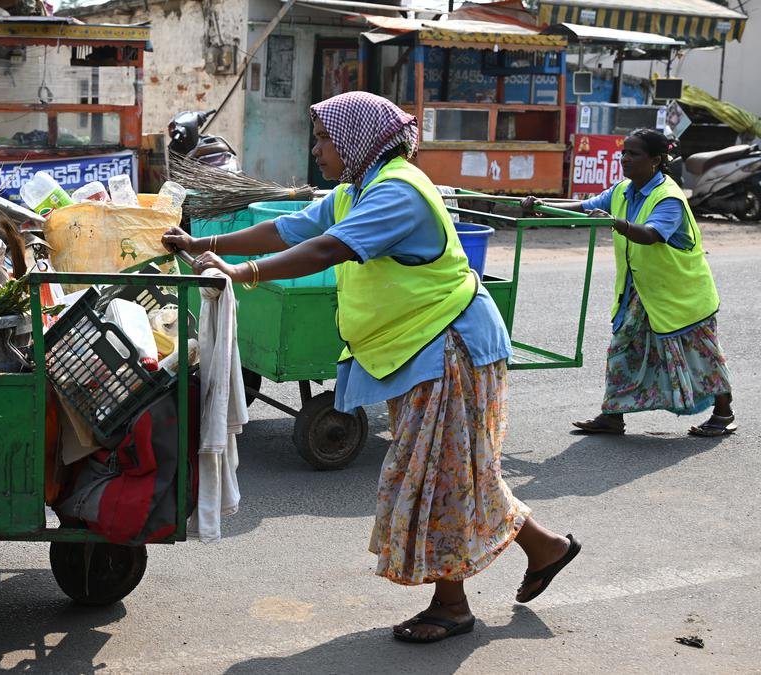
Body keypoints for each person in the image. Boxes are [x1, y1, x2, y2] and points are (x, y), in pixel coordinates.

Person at [162, 91, 580, 643]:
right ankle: (547, 548)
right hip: (415, 347)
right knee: (458, 469)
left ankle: (451, 606)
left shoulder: (398, 192)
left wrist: (244, 274)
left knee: (436, 474)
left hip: (447, 346)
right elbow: (290, 230)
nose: (317, 150)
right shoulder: (356, 190)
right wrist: (203, 241)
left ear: (357, 141)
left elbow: (325, 251)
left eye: (325, 139)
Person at [522, 128, 735, 437]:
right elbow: (586, 208)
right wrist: (542, 207)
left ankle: (724, 412)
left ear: (656, 161)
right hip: (641, 291)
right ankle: (612, 415)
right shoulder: (623, 189)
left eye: (633, 153)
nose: (624, 158)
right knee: (623, 349)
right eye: (624, 152)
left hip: (681, 295)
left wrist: (614, 223)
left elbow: (650, 235)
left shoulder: (669, 198)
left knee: (701, 355)